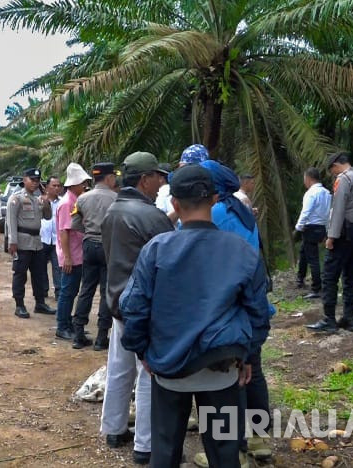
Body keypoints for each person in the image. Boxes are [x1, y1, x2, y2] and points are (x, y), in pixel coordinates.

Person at [120, 164, 270, 468]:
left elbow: (134, 307)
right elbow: (258, 313)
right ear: (214, 199)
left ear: (174, 204)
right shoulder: (242, 251)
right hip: (223, 370)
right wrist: (249, 355)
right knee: (225, 454)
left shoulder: (156, 250)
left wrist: (143, 352)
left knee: (164, 453)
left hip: (169, 370)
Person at [199, 159, 274, 463]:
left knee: (232, 376)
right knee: (253, 372)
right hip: (250, 302)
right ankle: (260, 440)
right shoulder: (242, 211)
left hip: (227, 303)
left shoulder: (215, 213)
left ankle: (236, 449)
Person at [101, 152, 173, 465]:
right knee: (149, 375)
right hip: (145, 307)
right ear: (145, 179)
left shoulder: (113, 210)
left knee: (119, 367)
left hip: (117, 302)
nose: (161, 183)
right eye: (158, 176)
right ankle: (145, 445)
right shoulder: (150, 216)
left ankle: (114, 429)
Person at [307, 152, 353, 334]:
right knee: (352, 277)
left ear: (336, 165)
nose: (333, 174)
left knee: (330, 275)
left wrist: (331, 236)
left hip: (344, 232)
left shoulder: (344, 179)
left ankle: (329, 319)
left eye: (332, 170)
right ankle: (349, 318)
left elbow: (338, 209)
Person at [71, 162, 118, 350]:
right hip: (108, 245)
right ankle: (101, 337)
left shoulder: (82, 198)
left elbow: (75, 224)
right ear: (108, 178)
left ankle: (78, 333)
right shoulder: (116, 198)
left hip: (89, 244)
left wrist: (90, 231)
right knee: (107, 290)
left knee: (86, 288)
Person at [7, 168, 57, 318]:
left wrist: (46, 200)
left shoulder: (38, 199)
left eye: (37, 181)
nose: (35, 183)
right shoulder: (16, 198)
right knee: (20, 274)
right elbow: (11, 221)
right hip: (22, 241)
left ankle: (40, 303)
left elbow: (48, 217)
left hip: (37, 242)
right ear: (24, 180)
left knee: (39, 274)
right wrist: (12, 242)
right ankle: (19, 305)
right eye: (32, 180)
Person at [55, 163, 92, 340]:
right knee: (67, 291)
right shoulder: (66, 204)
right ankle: (62, 326)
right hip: (71, 255)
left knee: (72, 291)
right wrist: (67, 258)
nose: (85, 186)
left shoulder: (77, 201)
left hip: (78, 253)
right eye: (82, 183)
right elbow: (64, 232)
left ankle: (68, 323)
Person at [294, 168, 332, 299]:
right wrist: (327, 230)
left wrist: (298, 227)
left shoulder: (311, 193)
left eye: (305, 179)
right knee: (304, 252)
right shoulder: (327, 193)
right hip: (321, 227)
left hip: (310, 227)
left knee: (313, 258)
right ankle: (300, 278)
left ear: (309, 179)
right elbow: (328, 213)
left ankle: (317, 288)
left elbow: (306, 212)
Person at [41, 176, 63, 300]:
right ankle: (43, 290)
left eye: (58, 186)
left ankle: (58, 292)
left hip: (57, 240)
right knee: (41, 266)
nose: (56, 188)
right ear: (47, 187)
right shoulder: (39, 201)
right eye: (53, 185)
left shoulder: (62, 202)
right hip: (42, 239)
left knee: (57, 266)